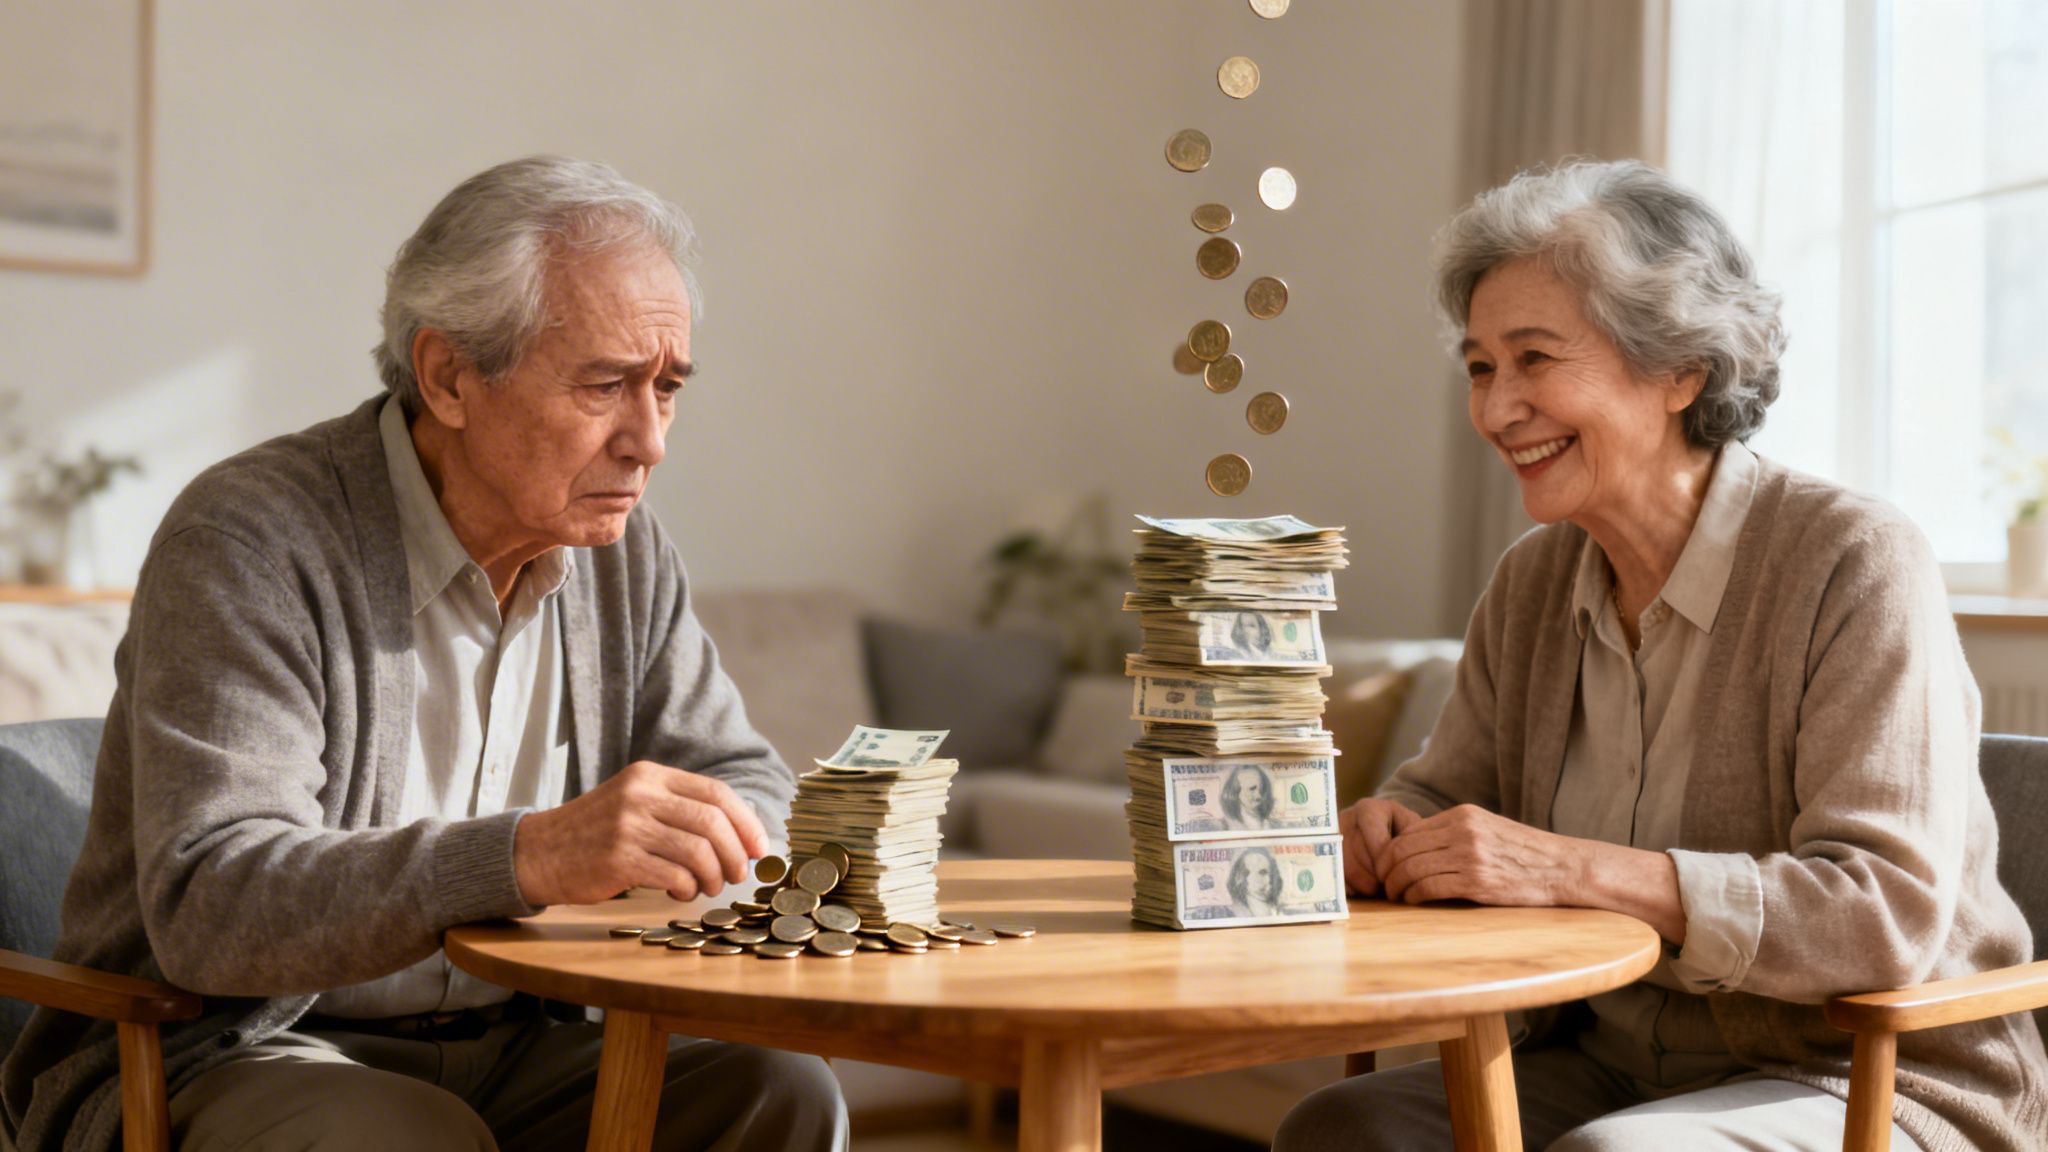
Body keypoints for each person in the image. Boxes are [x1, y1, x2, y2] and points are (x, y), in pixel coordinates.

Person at [0, 157, 847, 1152]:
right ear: (448, 376)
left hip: (521, 1039)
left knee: (777, 1089)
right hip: (235, 1046)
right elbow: (213, 904)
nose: (648, 440)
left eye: (666, 388)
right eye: (606, 386)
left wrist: (701, 845)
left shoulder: (622, 553)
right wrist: (529, 856)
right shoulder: (250, 541)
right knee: (403, 1134)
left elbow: (742, 777)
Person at [1275, 161, 2046, 1152]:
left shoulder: (1850, 561)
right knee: (1342, 1129)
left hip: (1859, 1075)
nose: (1495, 408)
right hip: (1605, 1061)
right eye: (1478, 366)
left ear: (1680, 368)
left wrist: (1567, 870)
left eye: (1534, 358)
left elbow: (1880, 916)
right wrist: (1390, 829)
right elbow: (1445, 793)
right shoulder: (1531, 584)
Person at [1227, 847, 1284, 918]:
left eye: (1263, 872)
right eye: (1246, 873)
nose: (1256, 879)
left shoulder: (1280, 913)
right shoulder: (1233, 912)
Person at [1220, 762, 1275, 830]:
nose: (1259, 796)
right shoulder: (1225, 827)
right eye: (1252, 789)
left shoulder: (1272, 825)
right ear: (1235, 792)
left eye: (1262, 788)